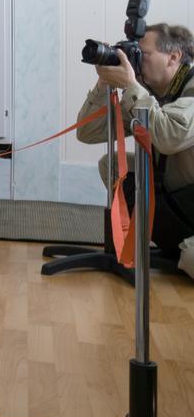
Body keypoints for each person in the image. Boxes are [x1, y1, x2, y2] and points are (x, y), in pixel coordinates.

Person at [76, 22, 194, 264]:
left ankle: (181, 248)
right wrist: (103, 84)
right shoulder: (147, 93)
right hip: (172, 195)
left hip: (188, 200)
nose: (136, 62)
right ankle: (168, 242)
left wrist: (131, 86)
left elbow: (169, 136)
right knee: (112, 164)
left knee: (190, 258)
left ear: (173, 57)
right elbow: (87, 131)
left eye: (143, 55)